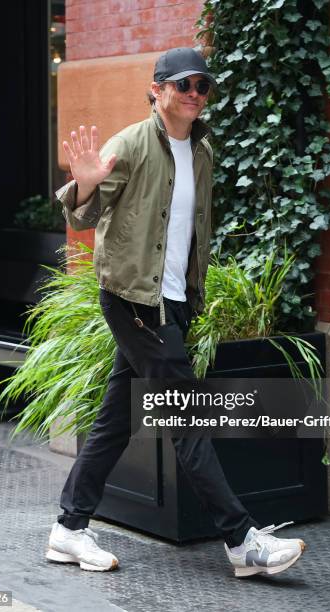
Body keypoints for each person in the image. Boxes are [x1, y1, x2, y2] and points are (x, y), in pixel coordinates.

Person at [46, 47, 306, 578]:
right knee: (187, 415)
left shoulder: (203, 149)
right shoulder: (133, 143)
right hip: (135, 301)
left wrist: (192, 292)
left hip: (175, 300)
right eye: (184, 84)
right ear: (158, 88)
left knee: (117, 418)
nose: (194, 94)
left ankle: (68, 529)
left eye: (202, 86)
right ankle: (241, 542)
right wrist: (87, 181)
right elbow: (83, 210)